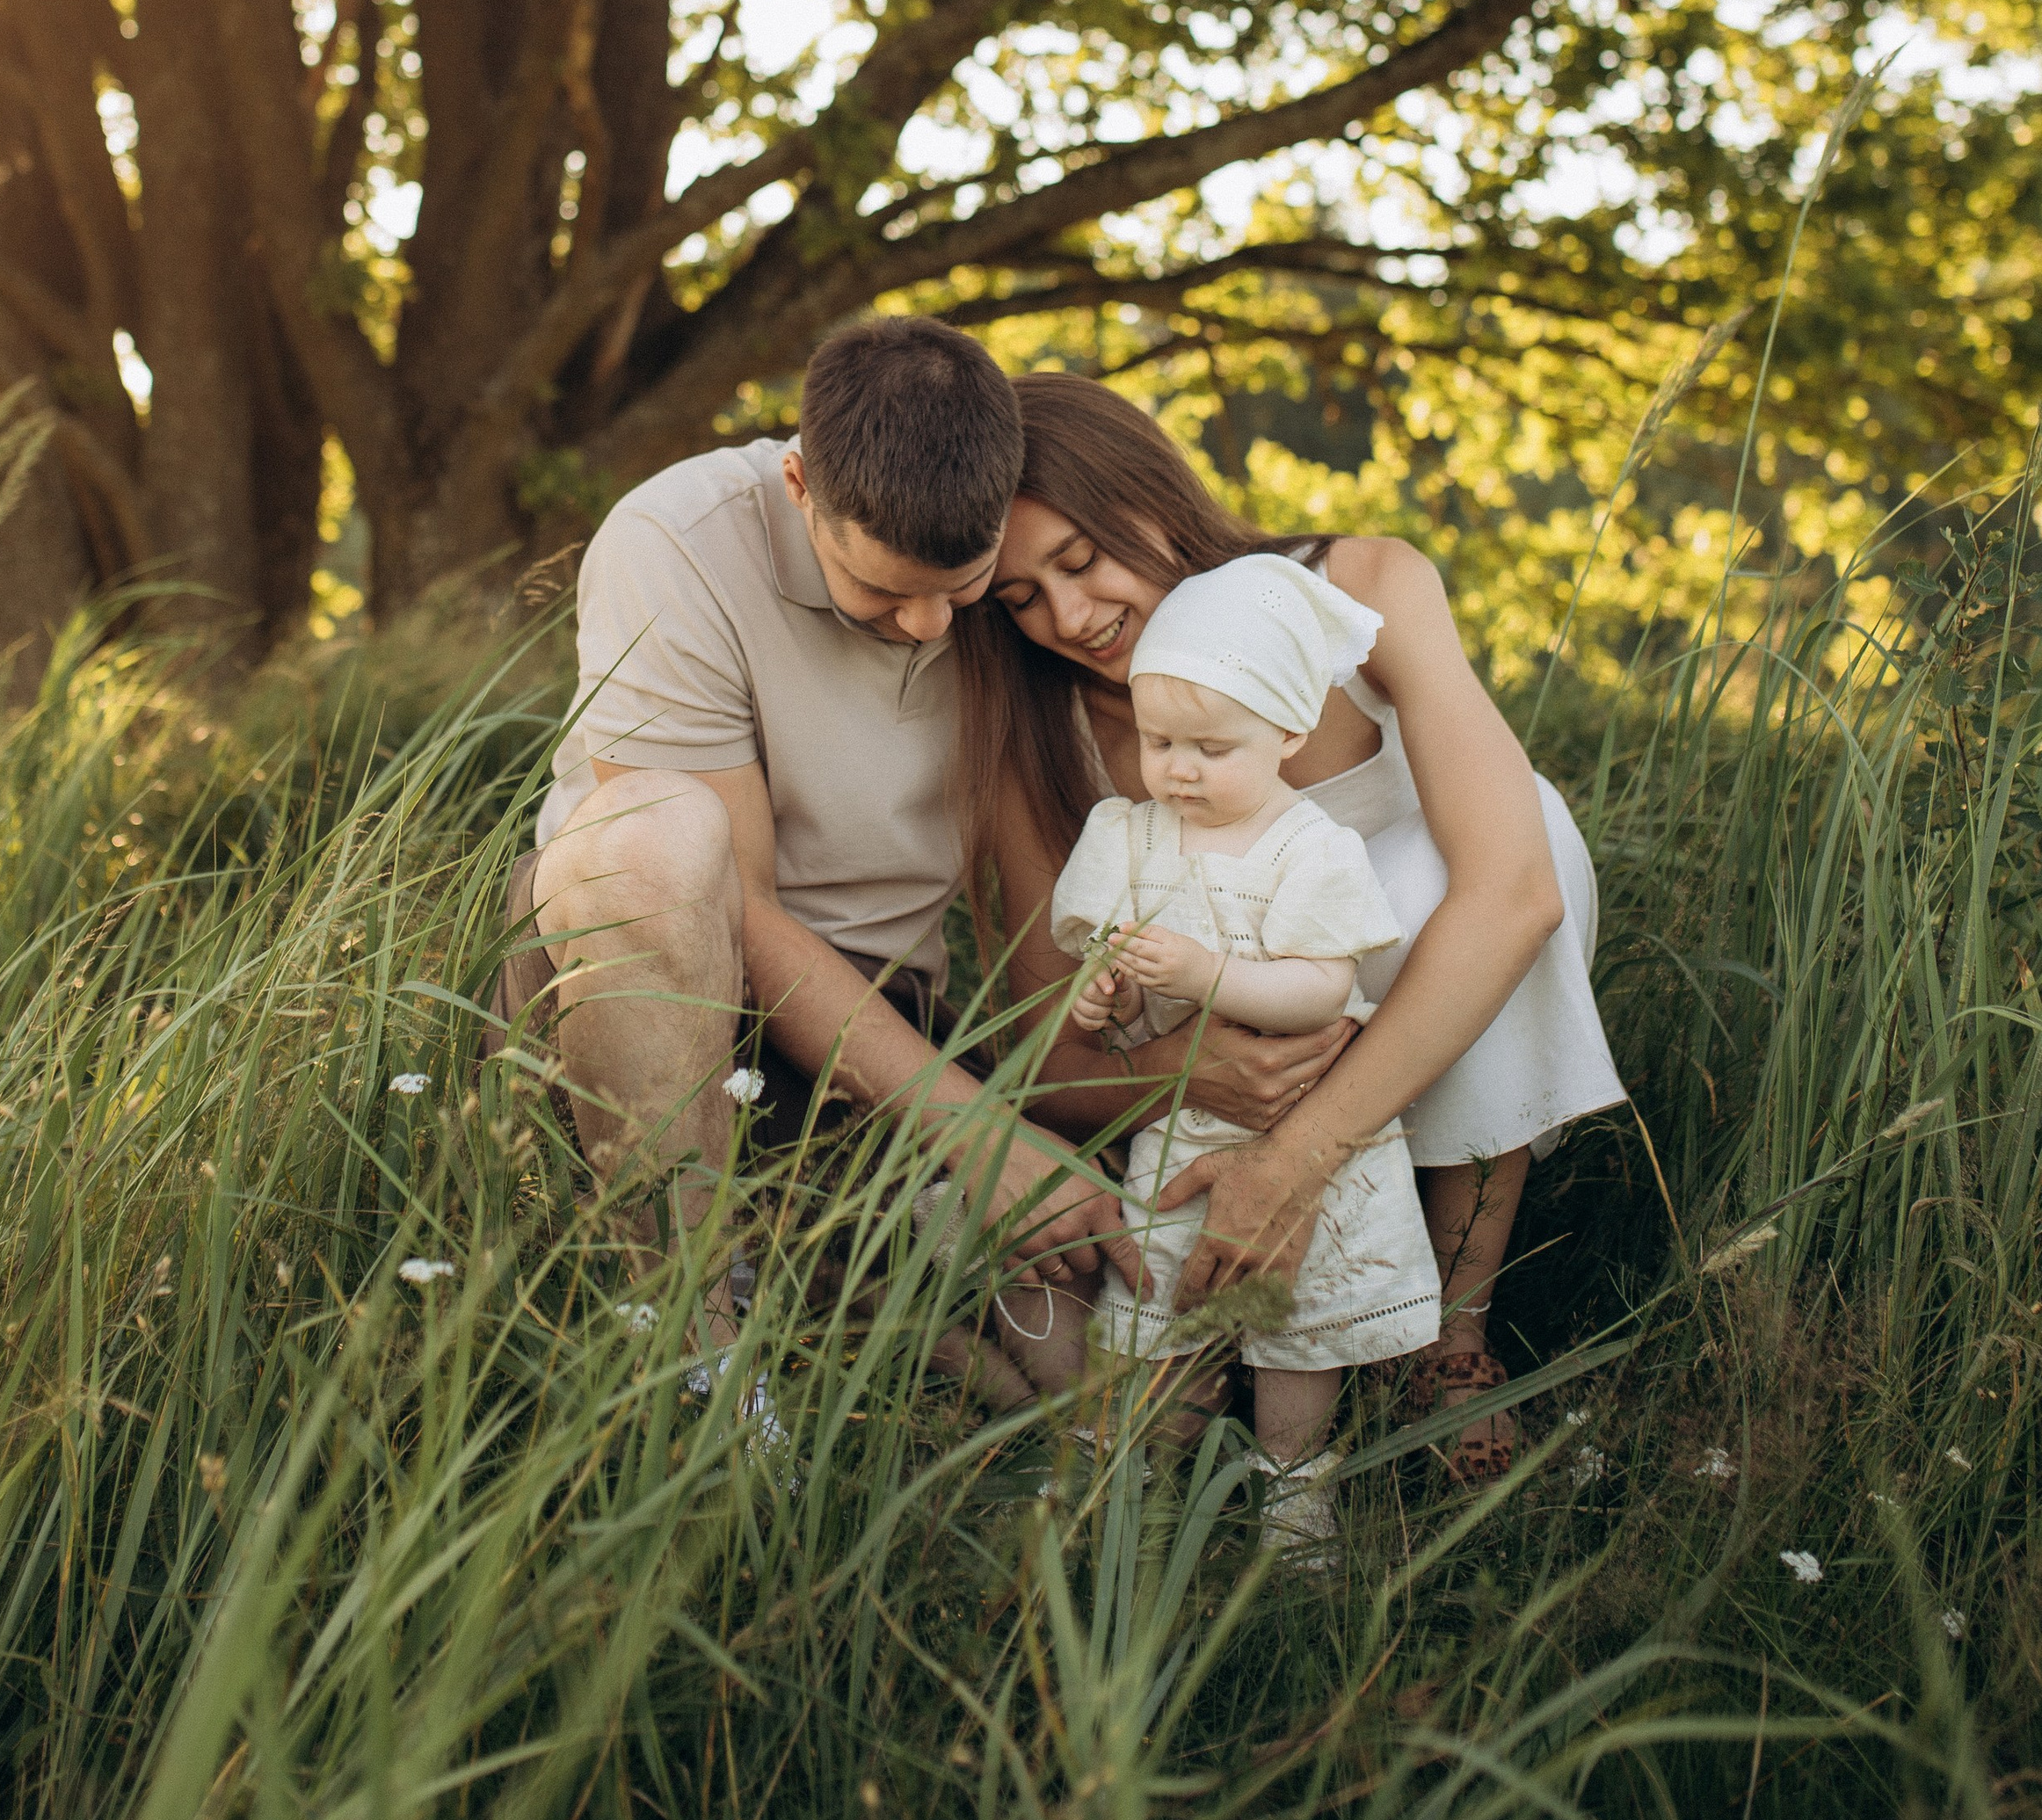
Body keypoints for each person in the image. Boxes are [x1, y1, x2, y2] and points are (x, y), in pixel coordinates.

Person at [958, 373, 1626, 1478]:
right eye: (1023, 598)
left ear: (1154, 498)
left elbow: (1515, 889)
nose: (1068, 619)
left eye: (1080, 561)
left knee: (1524, 835)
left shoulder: (1356, 588)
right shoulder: (1042, 726)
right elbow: (1045, 1057)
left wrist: (1299, 1155)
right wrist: (1191, 1066)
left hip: (1410, 1012)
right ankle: (1252, 1351)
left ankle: (1450, 1334)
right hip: (1214, 1051)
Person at [489, 317, 1136, 1376]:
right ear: (799, 486)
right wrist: (976, 1136)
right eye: (883, 592)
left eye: (961, 588)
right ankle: (692, 1362)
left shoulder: (1017, 554)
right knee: (664, 838)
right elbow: (735, 912)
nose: (928, 624)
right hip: (646, 969)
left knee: (1055, 1352)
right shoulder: (675, 542)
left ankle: (813, 1285)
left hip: (871, 1025)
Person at [1054, 553, 1440, 1564]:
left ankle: (1290, 1488)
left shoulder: (1310, 849)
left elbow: (1318, 989)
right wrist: (1112, 992)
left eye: (1212, 747)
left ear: (1289, 735)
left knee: (1293, 1325)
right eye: (1160, 742)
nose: (1179, 769)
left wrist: (1203, 969)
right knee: (1151, 1300)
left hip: (1304, 1123)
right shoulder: (1133, 838)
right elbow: (1116, 992)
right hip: (1182, 1121)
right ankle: (1127, 1478)